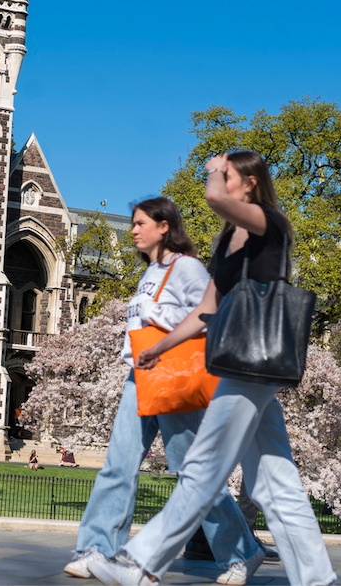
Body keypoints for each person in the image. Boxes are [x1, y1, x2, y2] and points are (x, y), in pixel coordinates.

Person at [89, 153, 336, 586]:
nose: (219, 183)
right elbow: (205, 311)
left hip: (253, 365)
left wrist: (211, 171)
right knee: (276, 483)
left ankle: (140, 565)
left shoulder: (269, 222)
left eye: (228, 176)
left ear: (250, 183)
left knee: (202, 465)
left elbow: (214, 199)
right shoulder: (226, 242)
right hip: (240, 363)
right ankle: (318, 580)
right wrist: (159, 347)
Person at [67, 196, 260, 585]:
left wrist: (164, 329)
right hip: (138, 378)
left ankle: (242, 552)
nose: (134, 230)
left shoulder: (185, 267)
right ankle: (96, 548)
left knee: (195, 473)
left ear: (164, 227)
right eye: (133, 223)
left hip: (174, 379)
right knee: (118, 466)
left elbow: (213, 313)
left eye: (141, 223)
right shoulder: (150, 272)